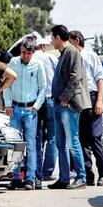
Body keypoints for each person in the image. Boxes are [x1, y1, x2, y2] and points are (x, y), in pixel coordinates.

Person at [48, 25, 91, 190]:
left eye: (52, 38)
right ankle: (64, 178)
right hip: (59, 104)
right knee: (60, 143)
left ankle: (81, 177)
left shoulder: (72, 52)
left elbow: (75, 78)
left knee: (72, 141)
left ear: (58, 37)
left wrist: (65, 98)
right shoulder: (62, 54)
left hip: (69, 105)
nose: (52, 41)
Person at [3, 35, 46, 190]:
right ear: (20, 51)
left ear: (33, 52)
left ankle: (30, 178)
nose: (26, 56)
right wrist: (8, 104)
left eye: (29, 53)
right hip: (15, 108)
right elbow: (6, 84)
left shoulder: (38, 64)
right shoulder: (13, 62)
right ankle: (15, 177)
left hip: (29, 110)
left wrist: (36, 106)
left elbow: (43, 87)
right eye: (23, 52)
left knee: (31, 144)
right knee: (14, 143)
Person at [69, 30, 103, 186]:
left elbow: (100, 78)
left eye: (71, 41)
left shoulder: (90, 55)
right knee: (82, 138)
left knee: (94, 136)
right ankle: (88, 173)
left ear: (77, 40)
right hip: (77, 99)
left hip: (91, 97)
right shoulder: (70, 57)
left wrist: (99, 100)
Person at [32, 36, 58, 182]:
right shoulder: (50, 58)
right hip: (50, 99)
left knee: (36, 136)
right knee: (52, 137)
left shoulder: (29, 59)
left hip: (35, 101)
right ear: (42, 46)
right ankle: (47, 171)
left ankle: (36, 170)